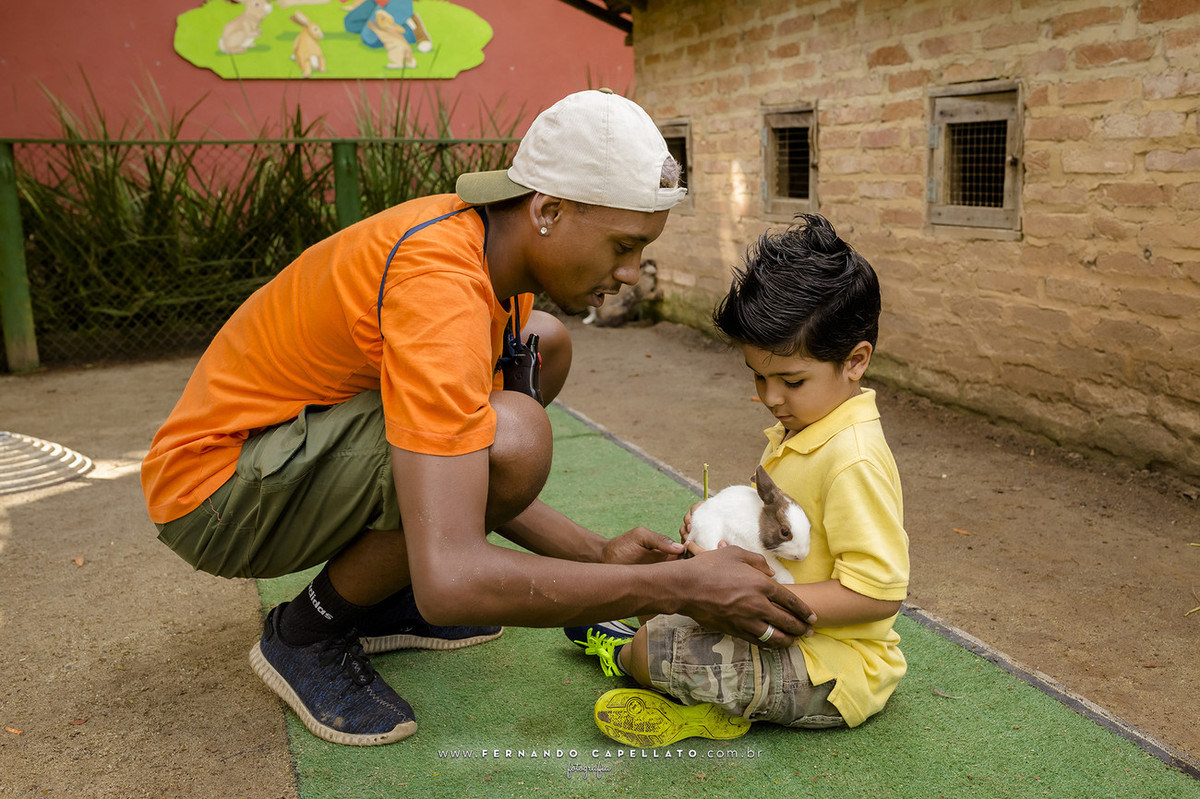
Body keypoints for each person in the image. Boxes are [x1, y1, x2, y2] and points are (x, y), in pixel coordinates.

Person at [140, 89, 817, 747]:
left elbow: (455, 468)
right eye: (622, 245)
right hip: (215, 495)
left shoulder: (499, 263)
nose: (634, 272)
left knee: (544, 345)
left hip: (282, 460)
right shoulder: (440, 287)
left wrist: (596, 556)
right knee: (516, 434)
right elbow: (454, 580)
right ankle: (307, 631)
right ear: (548, 210)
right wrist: (669, 585)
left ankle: (374, 593)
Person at [568, 214, 909, 747]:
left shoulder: (854, 459)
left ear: (855, 361)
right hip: (776, 630)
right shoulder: (805, 424)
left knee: (647, 650)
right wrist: (718, 534)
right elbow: (774, 516)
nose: (771, 397)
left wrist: (755, 591)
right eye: (758, 376)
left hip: (831, 665)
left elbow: (876, 596)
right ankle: (645, 645)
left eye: (791, 381)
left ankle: (628, 658)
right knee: (654, 602)